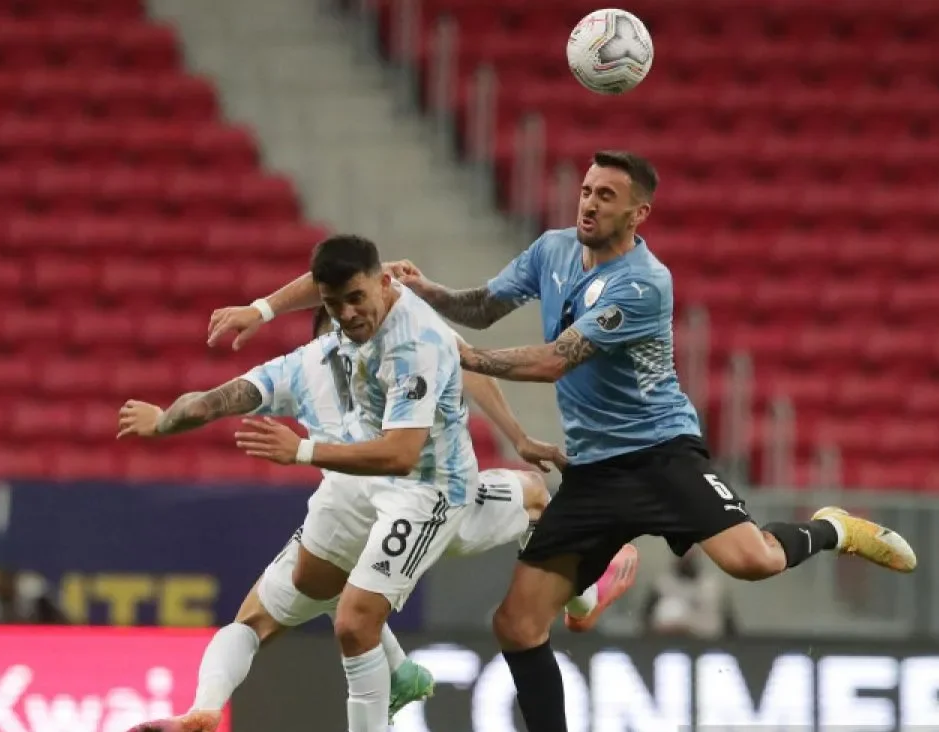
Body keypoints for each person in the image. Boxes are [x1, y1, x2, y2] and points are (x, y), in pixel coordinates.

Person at [374, 150, 918, 731]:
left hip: (660, 453)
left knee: (752, 561)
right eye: (586, 190)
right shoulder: (552, 250)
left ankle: (834, 527)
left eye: (606, 196)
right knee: (517, 624)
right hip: (593, 469)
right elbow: (482, 307)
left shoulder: (644, 284)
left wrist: (464, 358)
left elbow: (557, 361)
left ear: (639, 214)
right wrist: (427, 290)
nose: (588, 203)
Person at [125, 236, 636, 732]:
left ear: (383, 286)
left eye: (355, 302)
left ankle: (575, 603)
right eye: (336, 307)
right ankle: (211, 709)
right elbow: (219, 396)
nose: (349, 317)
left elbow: (403, 447)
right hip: (372, 497)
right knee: (322, 616)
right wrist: (256, 315)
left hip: (427, 494)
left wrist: (184, 424)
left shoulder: (406, 345)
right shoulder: (327, 348)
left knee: (336, 616)